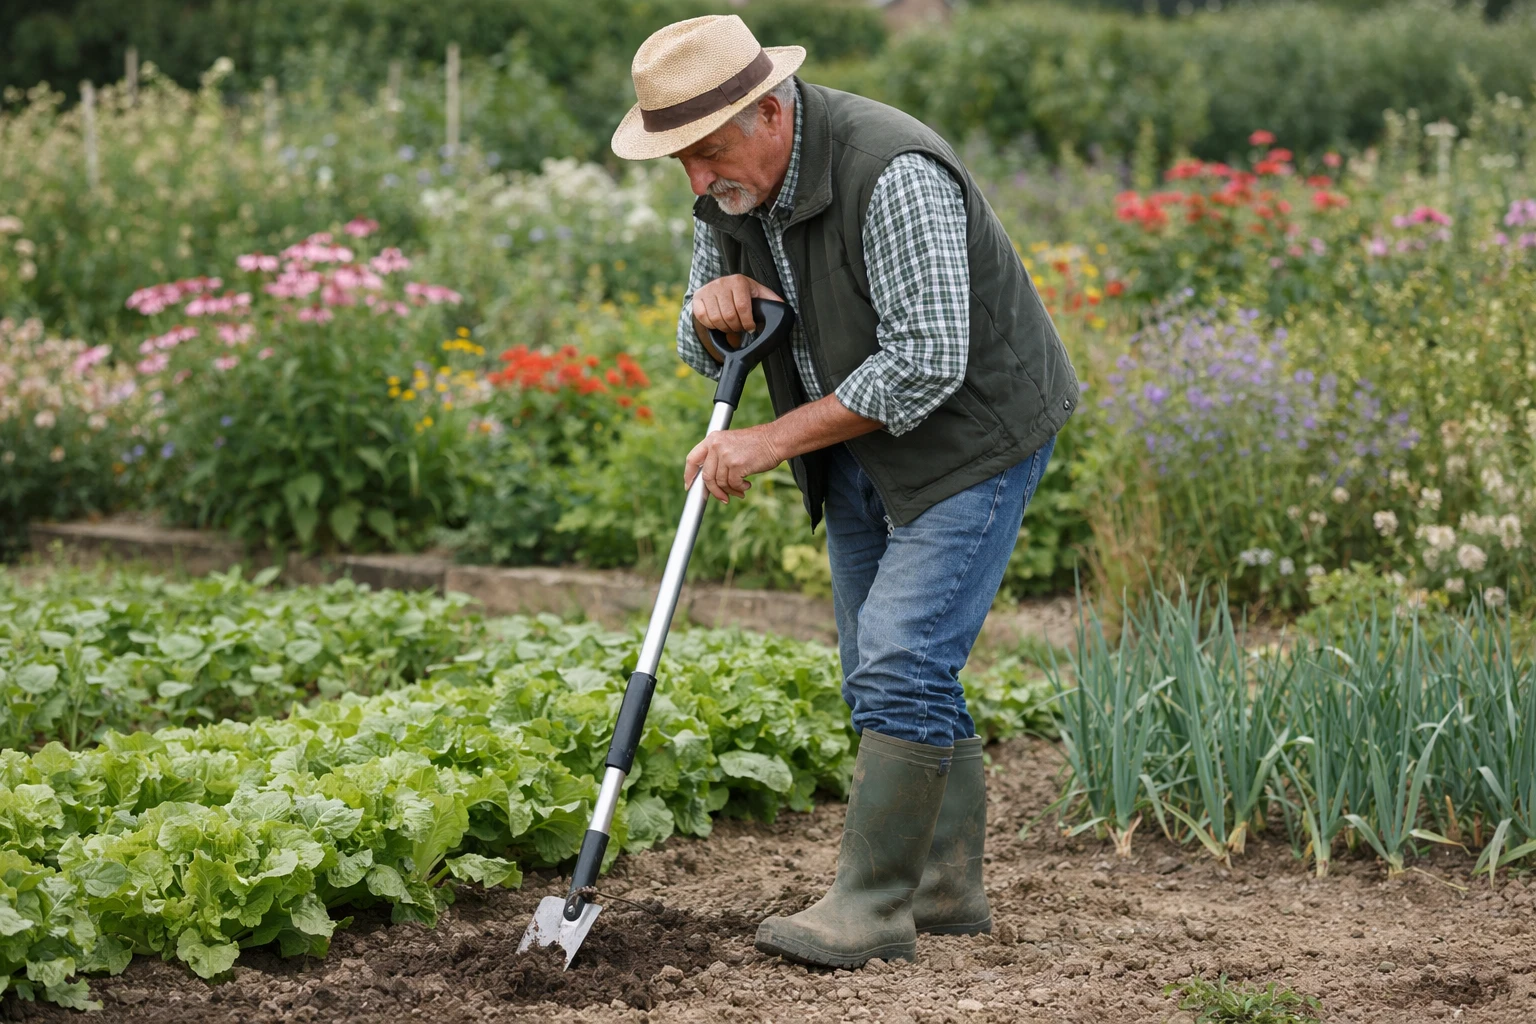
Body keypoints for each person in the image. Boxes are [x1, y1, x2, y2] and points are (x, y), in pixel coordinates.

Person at [611, 15, 1078, 969]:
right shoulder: (729, 191)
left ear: (771, 111)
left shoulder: (891, 168)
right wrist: (710, 319)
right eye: (682, 164)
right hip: (860, 446)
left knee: (902, 657)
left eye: (705, 154)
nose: (699, 183)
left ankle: (872, 908)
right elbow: (697, 345)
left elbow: (927, 361)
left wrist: (773, 440)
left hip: (970, 436)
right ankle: (945, 889)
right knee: (880, 662)